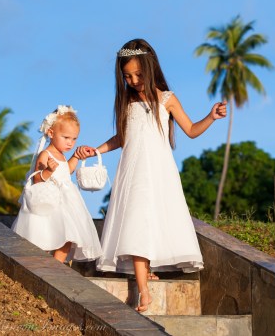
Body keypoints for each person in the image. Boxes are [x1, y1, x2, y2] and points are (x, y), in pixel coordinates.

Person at [83, 38, 227, 312]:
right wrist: (96, 151)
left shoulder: (167, 99)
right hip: (133, 170)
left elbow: (192, 130)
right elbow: (122, 137)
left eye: (138, 74)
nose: (134, 80)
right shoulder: (127, 102)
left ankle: (144, 271)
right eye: (127, 76)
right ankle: (144, 290)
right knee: (137, 219)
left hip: (159, 170)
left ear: (150, 69)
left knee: (152, 220)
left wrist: (211, 116)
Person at [12, 105, 102, 263]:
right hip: (48, 201)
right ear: (51, 133)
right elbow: (37, 179)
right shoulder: (45, 154)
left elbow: (67, 170)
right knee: (45, 234)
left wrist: (75, 156)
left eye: (74, 139)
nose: (70, 143)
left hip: (66, 202)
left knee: (68, 236)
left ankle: (57, 266)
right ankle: (41, 263)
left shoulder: (61, 155)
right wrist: (47, 171)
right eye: (66, 137)